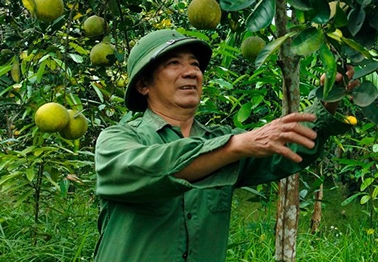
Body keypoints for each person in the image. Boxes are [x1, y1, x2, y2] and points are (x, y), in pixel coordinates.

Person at [93, 29, 356, 262]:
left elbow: (287, 147)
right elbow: (141, 168)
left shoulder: (222, 140)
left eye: (195, 65)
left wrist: (328, 99)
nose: (191, 72)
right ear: (143, 85)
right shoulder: (118, 139)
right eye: (174, 63)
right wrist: (235, 146)